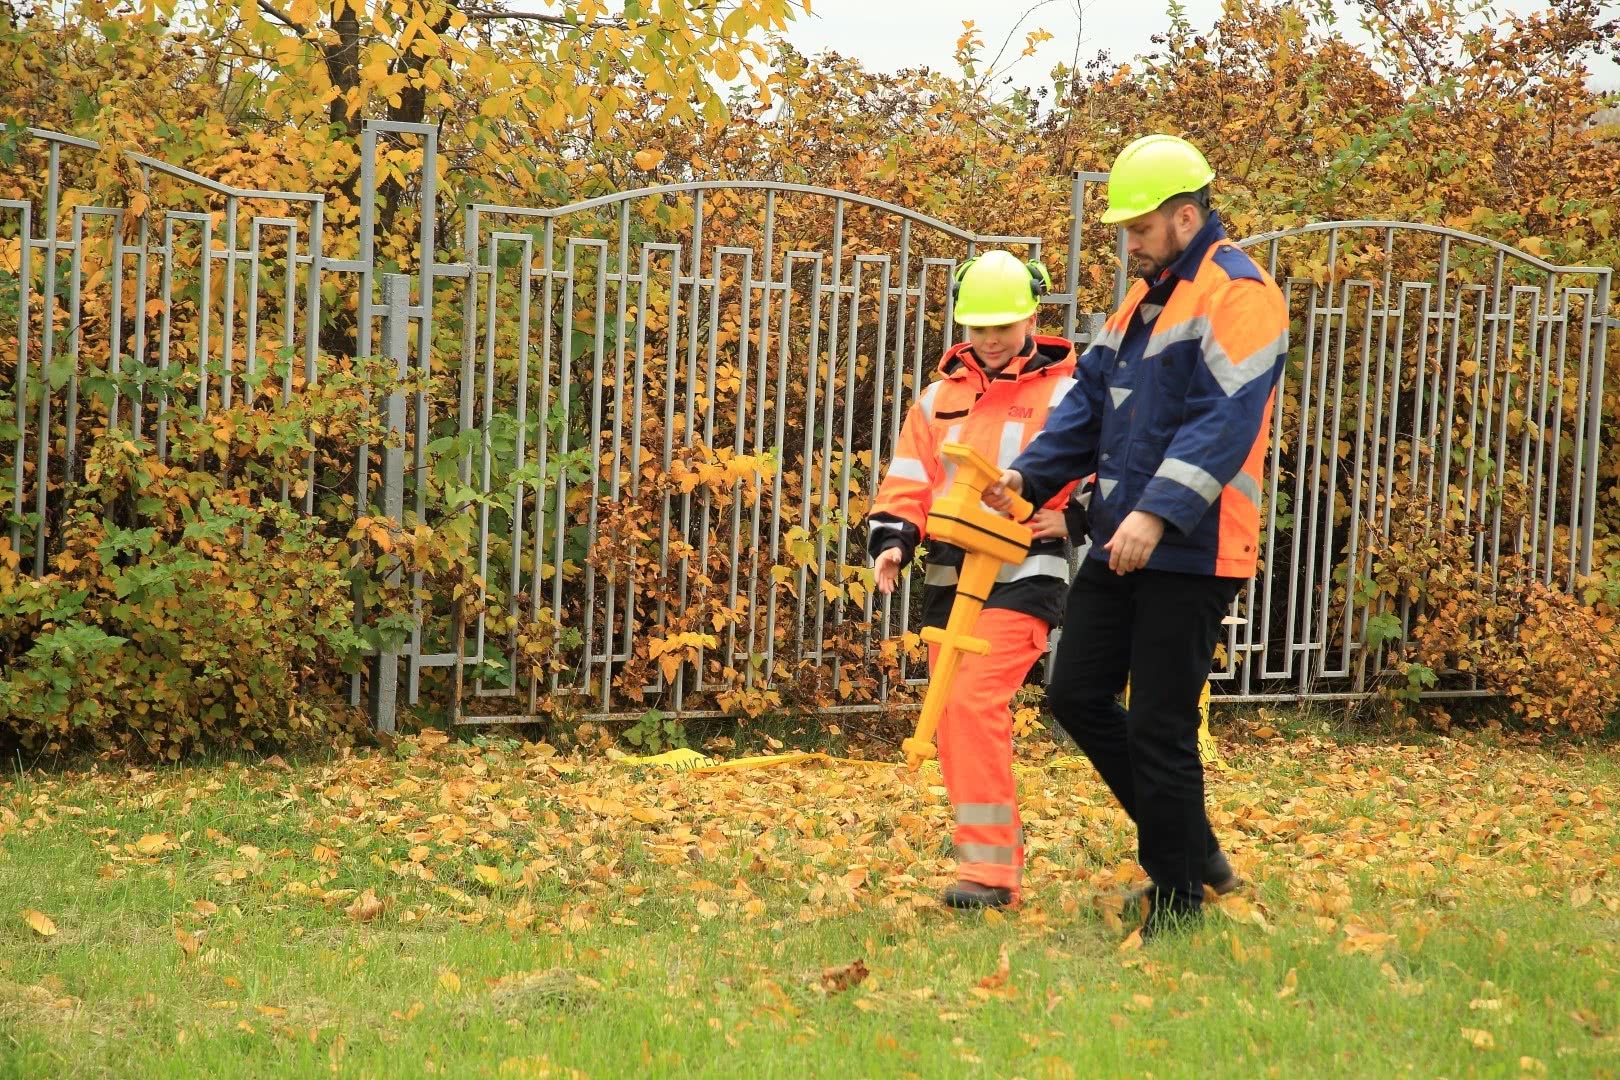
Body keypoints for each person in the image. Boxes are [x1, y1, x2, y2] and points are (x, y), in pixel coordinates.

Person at [985, 134, 1289, 938]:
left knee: (1160, 723)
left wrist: (1156, 514)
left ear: (1186, 217)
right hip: (1126, 537)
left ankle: (1179, 898)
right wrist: (1027, 477)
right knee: (1076, 694)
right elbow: (1087, 405)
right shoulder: (1142, 303)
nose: (1129, 244)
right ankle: (1194, 850)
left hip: (1193, 543)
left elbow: (1222, 422)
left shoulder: (1241, 292)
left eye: (1140, 228)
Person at [867, 250, 1087, 911]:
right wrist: (892, 541)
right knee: (953, 715)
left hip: (1027, 572)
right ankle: (984, 866)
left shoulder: (1067, 393)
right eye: (979, 327)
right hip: (949, 575)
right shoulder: (939, 399)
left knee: (970, 703)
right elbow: (908, 481)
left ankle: (992, 875)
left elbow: (1107, 469)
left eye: (1004, 325)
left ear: (1032, 317)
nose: (991, 339)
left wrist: (1072, 517)